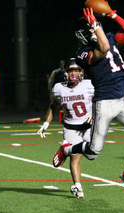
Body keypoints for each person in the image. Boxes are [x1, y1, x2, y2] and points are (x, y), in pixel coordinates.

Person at [53, 6, 124, 191]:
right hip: (104, 102)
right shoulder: (82, 54)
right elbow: (102, 49)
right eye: (90, 28)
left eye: (93, 26)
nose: (93, 29)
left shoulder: (110, 38)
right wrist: (96, 25)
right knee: (93, 152)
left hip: (122, 99)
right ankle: (67, 149)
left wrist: (113, 14)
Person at [38, 58, 94, 198]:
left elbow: (101, 99)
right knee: (75, 158)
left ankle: (65, 149)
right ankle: (78, 186)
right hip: (70, 127)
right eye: (70, 71)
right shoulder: (59, 88)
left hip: (87, 126)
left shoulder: (89, 85)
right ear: (65, 73)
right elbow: (53, 106)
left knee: (92, 154)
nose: (73, 74)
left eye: (76, 71)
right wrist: (46, 124)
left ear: (82, 72)